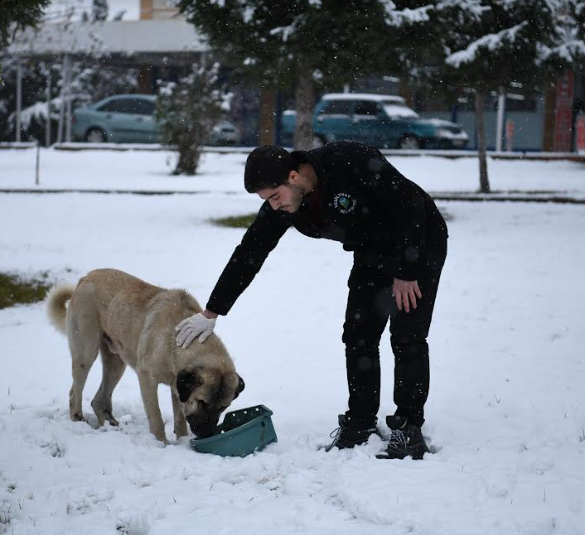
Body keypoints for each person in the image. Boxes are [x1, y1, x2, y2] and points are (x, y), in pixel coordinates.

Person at [175, 141, 447, 459]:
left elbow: (409, 203)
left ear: (294, 176)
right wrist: (212, 311)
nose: (274, 206)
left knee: (407, 335)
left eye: (274, 196)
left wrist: (407, 269)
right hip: (372, 250)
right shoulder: (286, 202)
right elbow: (250, 252)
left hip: (419, 240)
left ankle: (409, 428)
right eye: (267, 201)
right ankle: (360, 422)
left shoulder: (349, 160)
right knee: (359, 334)